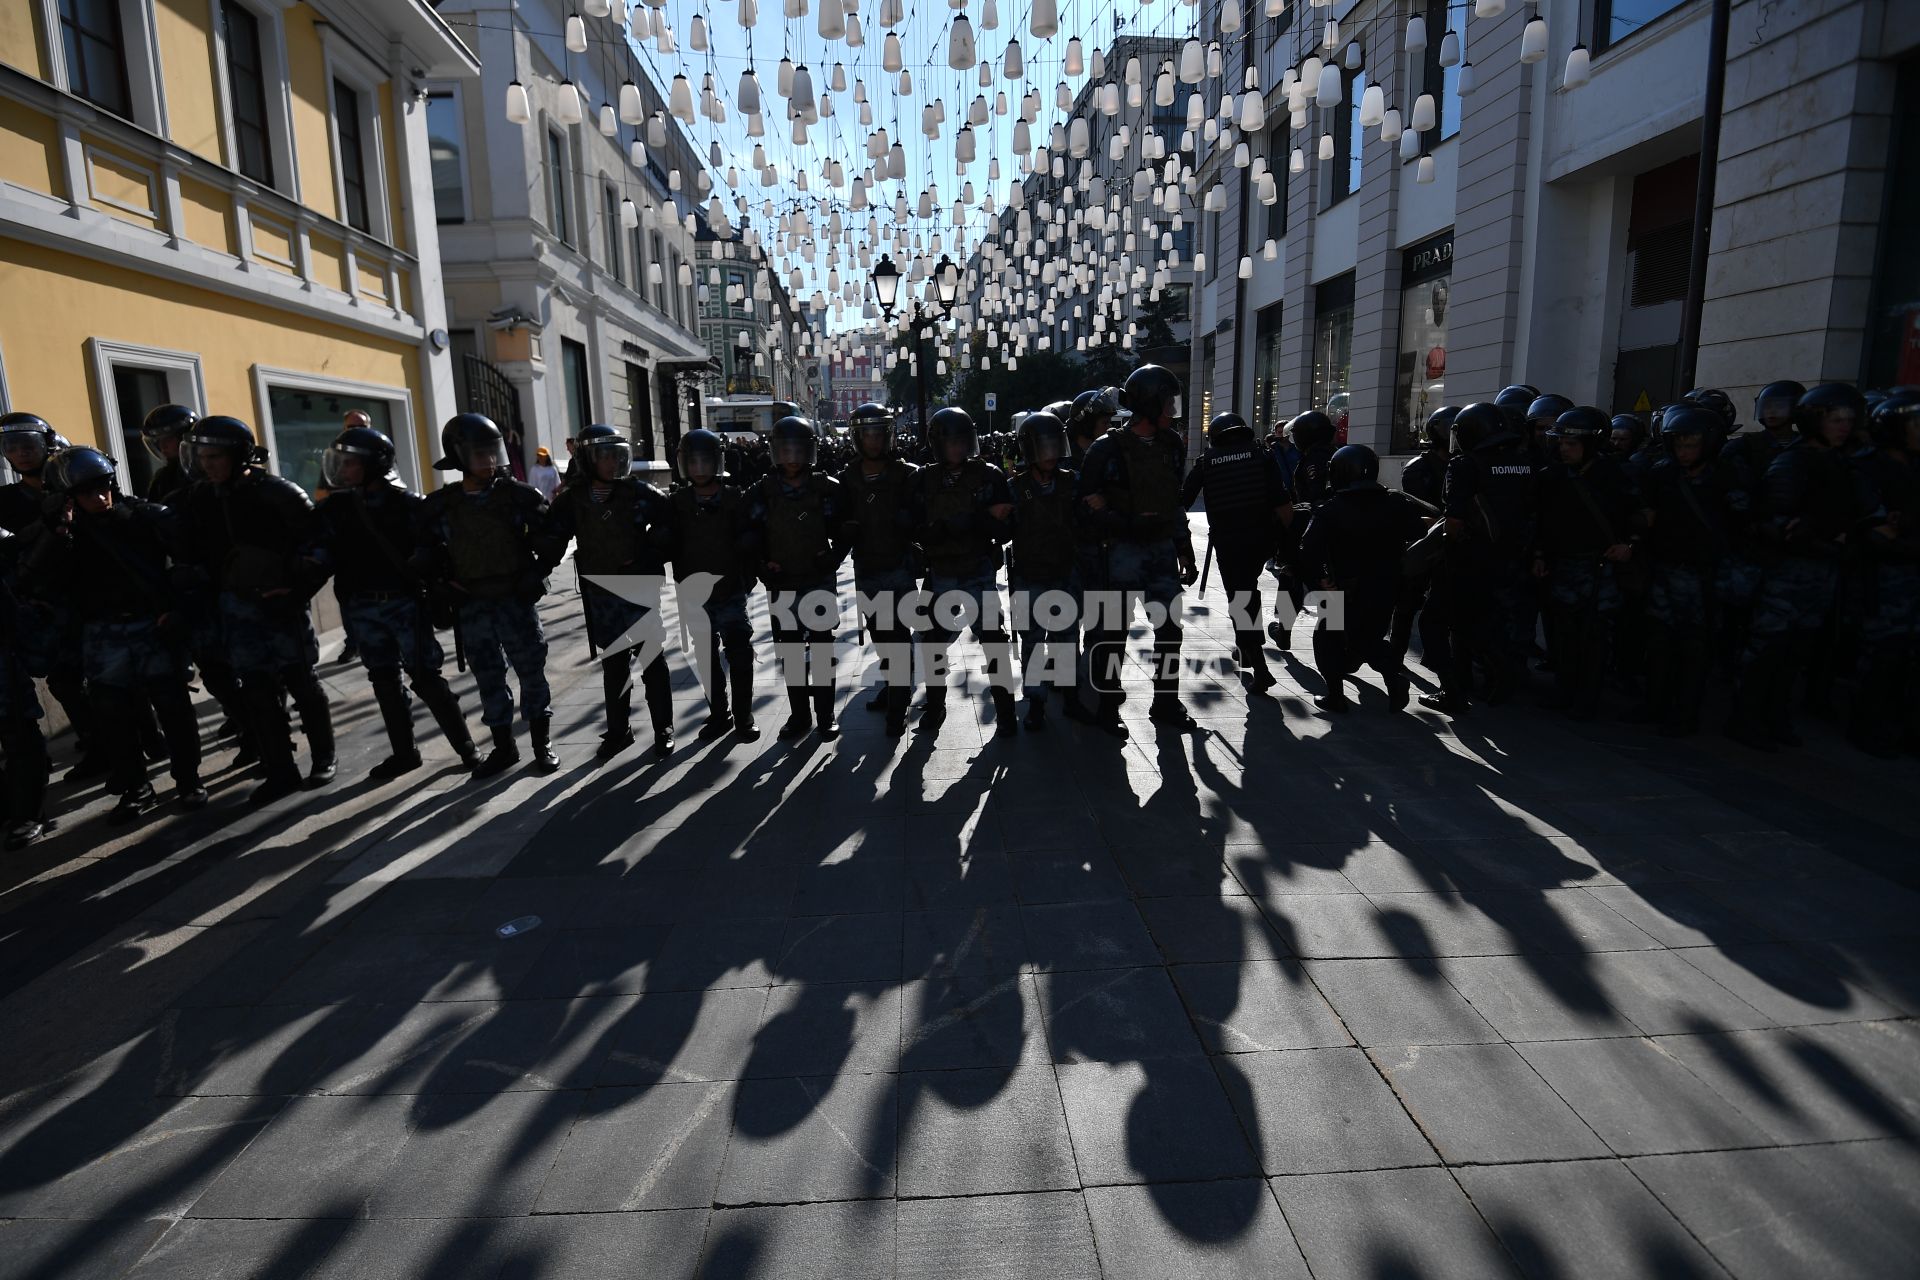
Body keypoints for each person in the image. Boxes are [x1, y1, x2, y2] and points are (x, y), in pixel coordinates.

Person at [17, 447, 206, 819]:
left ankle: (188, 780)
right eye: (87, 492)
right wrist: (58, 531)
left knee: (174, 709)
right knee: (113, 717)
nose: (100, 496)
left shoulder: (144, 517)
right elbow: (33, 578)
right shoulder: (61, 533)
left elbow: (190, 564)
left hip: (153, 625)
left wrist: (179, 611)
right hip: (101, 634)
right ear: (68, 496)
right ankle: (136, 787)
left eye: (103, 486)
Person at [174, 415, 334, 803]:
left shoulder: (280, 494)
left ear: (239, 455)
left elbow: (319, 549)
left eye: (216, 456)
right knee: (258, 691)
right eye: (202, 456)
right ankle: (281, 770)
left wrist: (296, 592)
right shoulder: (198, 499)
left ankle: (324, 757)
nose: (207, 464)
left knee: (303, 684)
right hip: (234, 611)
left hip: (279, 606)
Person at [315, 426, 479, 779]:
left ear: (373, 465)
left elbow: (439, 548)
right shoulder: (337, 508)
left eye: (350, 463)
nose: (342, 470)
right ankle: (405, 754)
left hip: (403, 605)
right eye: (340, 462)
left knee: (425, 678)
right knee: (383, 679)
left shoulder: (408, 506)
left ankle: (467, 749)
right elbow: (319, 552)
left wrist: (429, 565)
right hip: (362, 606)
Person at [414, 413, 560, 775]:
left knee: (531, 670)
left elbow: (552, 537)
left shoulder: (519, 497)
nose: (490, 461)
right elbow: (425, 552)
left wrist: (536, 572)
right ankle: (503, 747)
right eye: (480, 454)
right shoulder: (440, 505)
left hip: (514, 599)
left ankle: (542, 744)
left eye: (493, 452)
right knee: (488, 675)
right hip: (473, 604)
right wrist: (441, 584)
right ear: (459, 456)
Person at [1726, 383, 1864, 750]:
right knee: (1767, 650)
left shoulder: (1840, 461)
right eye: (1835, 420)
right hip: (1785, 574)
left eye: (1848, 420)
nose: (1843, 427)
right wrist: (1819, 538)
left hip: (1819, 574)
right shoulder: (1794, 461)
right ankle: (1747, 718)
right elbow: (1769, 521)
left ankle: (1777, 718)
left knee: (1796, 653)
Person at [545, 424, 675, 761]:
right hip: (601, 595)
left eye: (616, 454)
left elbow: (671, 527)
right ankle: (619, 731)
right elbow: (551, 539)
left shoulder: (639, 494)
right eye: (604, 455)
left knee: (652, 660)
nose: (612, 462)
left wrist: (648, 554)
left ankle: (664, 727)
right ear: (588, 459)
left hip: (638, 590)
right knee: (614, 665)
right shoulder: (573, 501)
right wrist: (533, 571)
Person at [1078, 364, 1196, 734]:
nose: (1171, 410)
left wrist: (1184, 547)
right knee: (1112, 634)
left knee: (1170, 629)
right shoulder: (1105, 449)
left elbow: (1174, 501)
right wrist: (1124, 522)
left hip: (1160, 548)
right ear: (1147, 403)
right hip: (1119, 551)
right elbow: (1085, 506)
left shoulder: (1171, 445)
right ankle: (1107, 707)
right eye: (1166, 402)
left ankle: (1165, 701)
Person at [0, 411, 100, 778]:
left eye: (29, 444)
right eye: (11, 446)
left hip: (88, 594)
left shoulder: (73, 484)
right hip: (39, 602)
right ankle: (97, 741)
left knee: (107, 678)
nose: (21, 453)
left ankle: (140, 738)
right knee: (63, 679)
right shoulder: (6, 500)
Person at [1422, 402, 1537, 714]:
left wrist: (1441, 545)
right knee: (1475, 620)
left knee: (1433, 622)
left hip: (1467, 558)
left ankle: (1452, 689)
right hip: (1510, 556)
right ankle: (1495, 670)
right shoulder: (1523, 462)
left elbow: (1455, 520)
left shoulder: (1464, 465)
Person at [1297, 445, 1432, 712]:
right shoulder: (1394, 502)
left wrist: (1321, 579)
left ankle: (1335, 695)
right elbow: (1419, 530)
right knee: (1368, 639)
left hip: (1340, 589)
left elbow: (1308, 548)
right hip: (1385, 585)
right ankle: (1394, 679)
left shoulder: (1331, 508)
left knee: (1328, 639)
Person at [911, 407, 1018, 736]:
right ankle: (935, 706)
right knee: (933, 643)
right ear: (937, 444)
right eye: (951, 442)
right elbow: (910, 524)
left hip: (977, 568)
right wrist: (935, 532)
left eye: (962, 441)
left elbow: (1007, 527)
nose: (957, 448)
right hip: (940, 570)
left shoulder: (989, 476)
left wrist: (977, 521)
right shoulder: (923, 479)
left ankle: (1006, 710)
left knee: (994, 641)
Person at [1533, 406, 1637, 720]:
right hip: (1564, 566)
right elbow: (1541, 520)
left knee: (1594, 637)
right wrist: (1539, 555)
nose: (1564, 449)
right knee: (1564, 634)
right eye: (1561, 443)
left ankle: (1588, 698)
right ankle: (1564, 691)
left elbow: (1640, 514)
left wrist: (1629, 545)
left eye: (1572, 444)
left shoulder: (1615, 474)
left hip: (1599, 568)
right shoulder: (1552, 476)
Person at [752, 415, 849, 741]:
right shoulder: (762, 491)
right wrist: (761, 565)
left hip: (818, 579)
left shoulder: (826, 489)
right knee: (790, 652)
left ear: (809, 452)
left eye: (798, 450)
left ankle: (825, 714)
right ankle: (799, 715)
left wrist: (834, 557)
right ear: (775, 452)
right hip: (783, 583)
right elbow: (746, 534)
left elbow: (846, 528)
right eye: (785, 450)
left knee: (822, 648)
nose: (791, 458)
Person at [1636, 405, 1730, 736]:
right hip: (1664, 572)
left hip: (1702, 576)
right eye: (1680, 445)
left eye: (1692, 445)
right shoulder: (1662, 474)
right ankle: (1654, 704)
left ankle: (1686, 712)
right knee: (1659, 643)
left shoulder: (1725, 477)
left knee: (1695, 649)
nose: (1685, 452)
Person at [1181, 411, 1288, 693]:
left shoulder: (1207, 462)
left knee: (1241, 600)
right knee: (1248, 593)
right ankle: (1245, 648)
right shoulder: (1262, 456)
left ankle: (1261, 669)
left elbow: (1183, 500)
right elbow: (1282, 503)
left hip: (1230, 543)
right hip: (1263, 540)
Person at [667, 429, 762, 742]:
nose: (698, 468)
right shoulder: (678, 501)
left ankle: (744, 714)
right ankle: (719, 714)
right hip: (694, 593)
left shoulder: (735, 497)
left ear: (717, 462)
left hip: (729, 589)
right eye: (692, 462)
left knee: (740, 652)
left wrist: (748, 550)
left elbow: (754, 531)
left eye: (705, 461)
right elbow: (666, 540)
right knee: (706, 657)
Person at [839, 402, 919, 737]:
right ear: (858, 438)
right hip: (868, 567)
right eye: (866, 435)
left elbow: (924, 514)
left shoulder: (907, 474)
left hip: (899, 566)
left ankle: (898, 709)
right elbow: (837, 521)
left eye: (878, 434)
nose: (873, 441)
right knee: (881, 637)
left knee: (898, 637)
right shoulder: (847, 478)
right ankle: (893, 686)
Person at [1847, 390, 1919, 757]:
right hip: (1883, 578)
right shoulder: (1870, 468)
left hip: (1908, 576)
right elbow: (1874, 530)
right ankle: (1868, 725)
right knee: (1882, 655)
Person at [1007, 409, 1082, 728]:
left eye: (1055, 445)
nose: (1051, 454)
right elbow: (1002, 530)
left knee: (1066, 639)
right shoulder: (1015, 487)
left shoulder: (1072, 482)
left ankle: (1069, 697)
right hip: (1029, 574)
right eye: (1044, 446)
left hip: (1064, 574)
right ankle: (1035, 701)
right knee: (1034, 643)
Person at [1395, 406, 1455, 671]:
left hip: (1450, 542)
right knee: (1408, 603)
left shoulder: (1461, 464)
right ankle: (1395, 653)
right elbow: (1416, 509)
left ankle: (1434, 655)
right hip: (1424, 542)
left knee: (1440, 607)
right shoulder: (1419, 467)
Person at [141, 404, 195, 502]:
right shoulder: (162, 478)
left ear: (184, 438)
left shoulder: (205, 472)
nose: (162, 446)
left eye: (168, 439)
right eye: (158, 441)